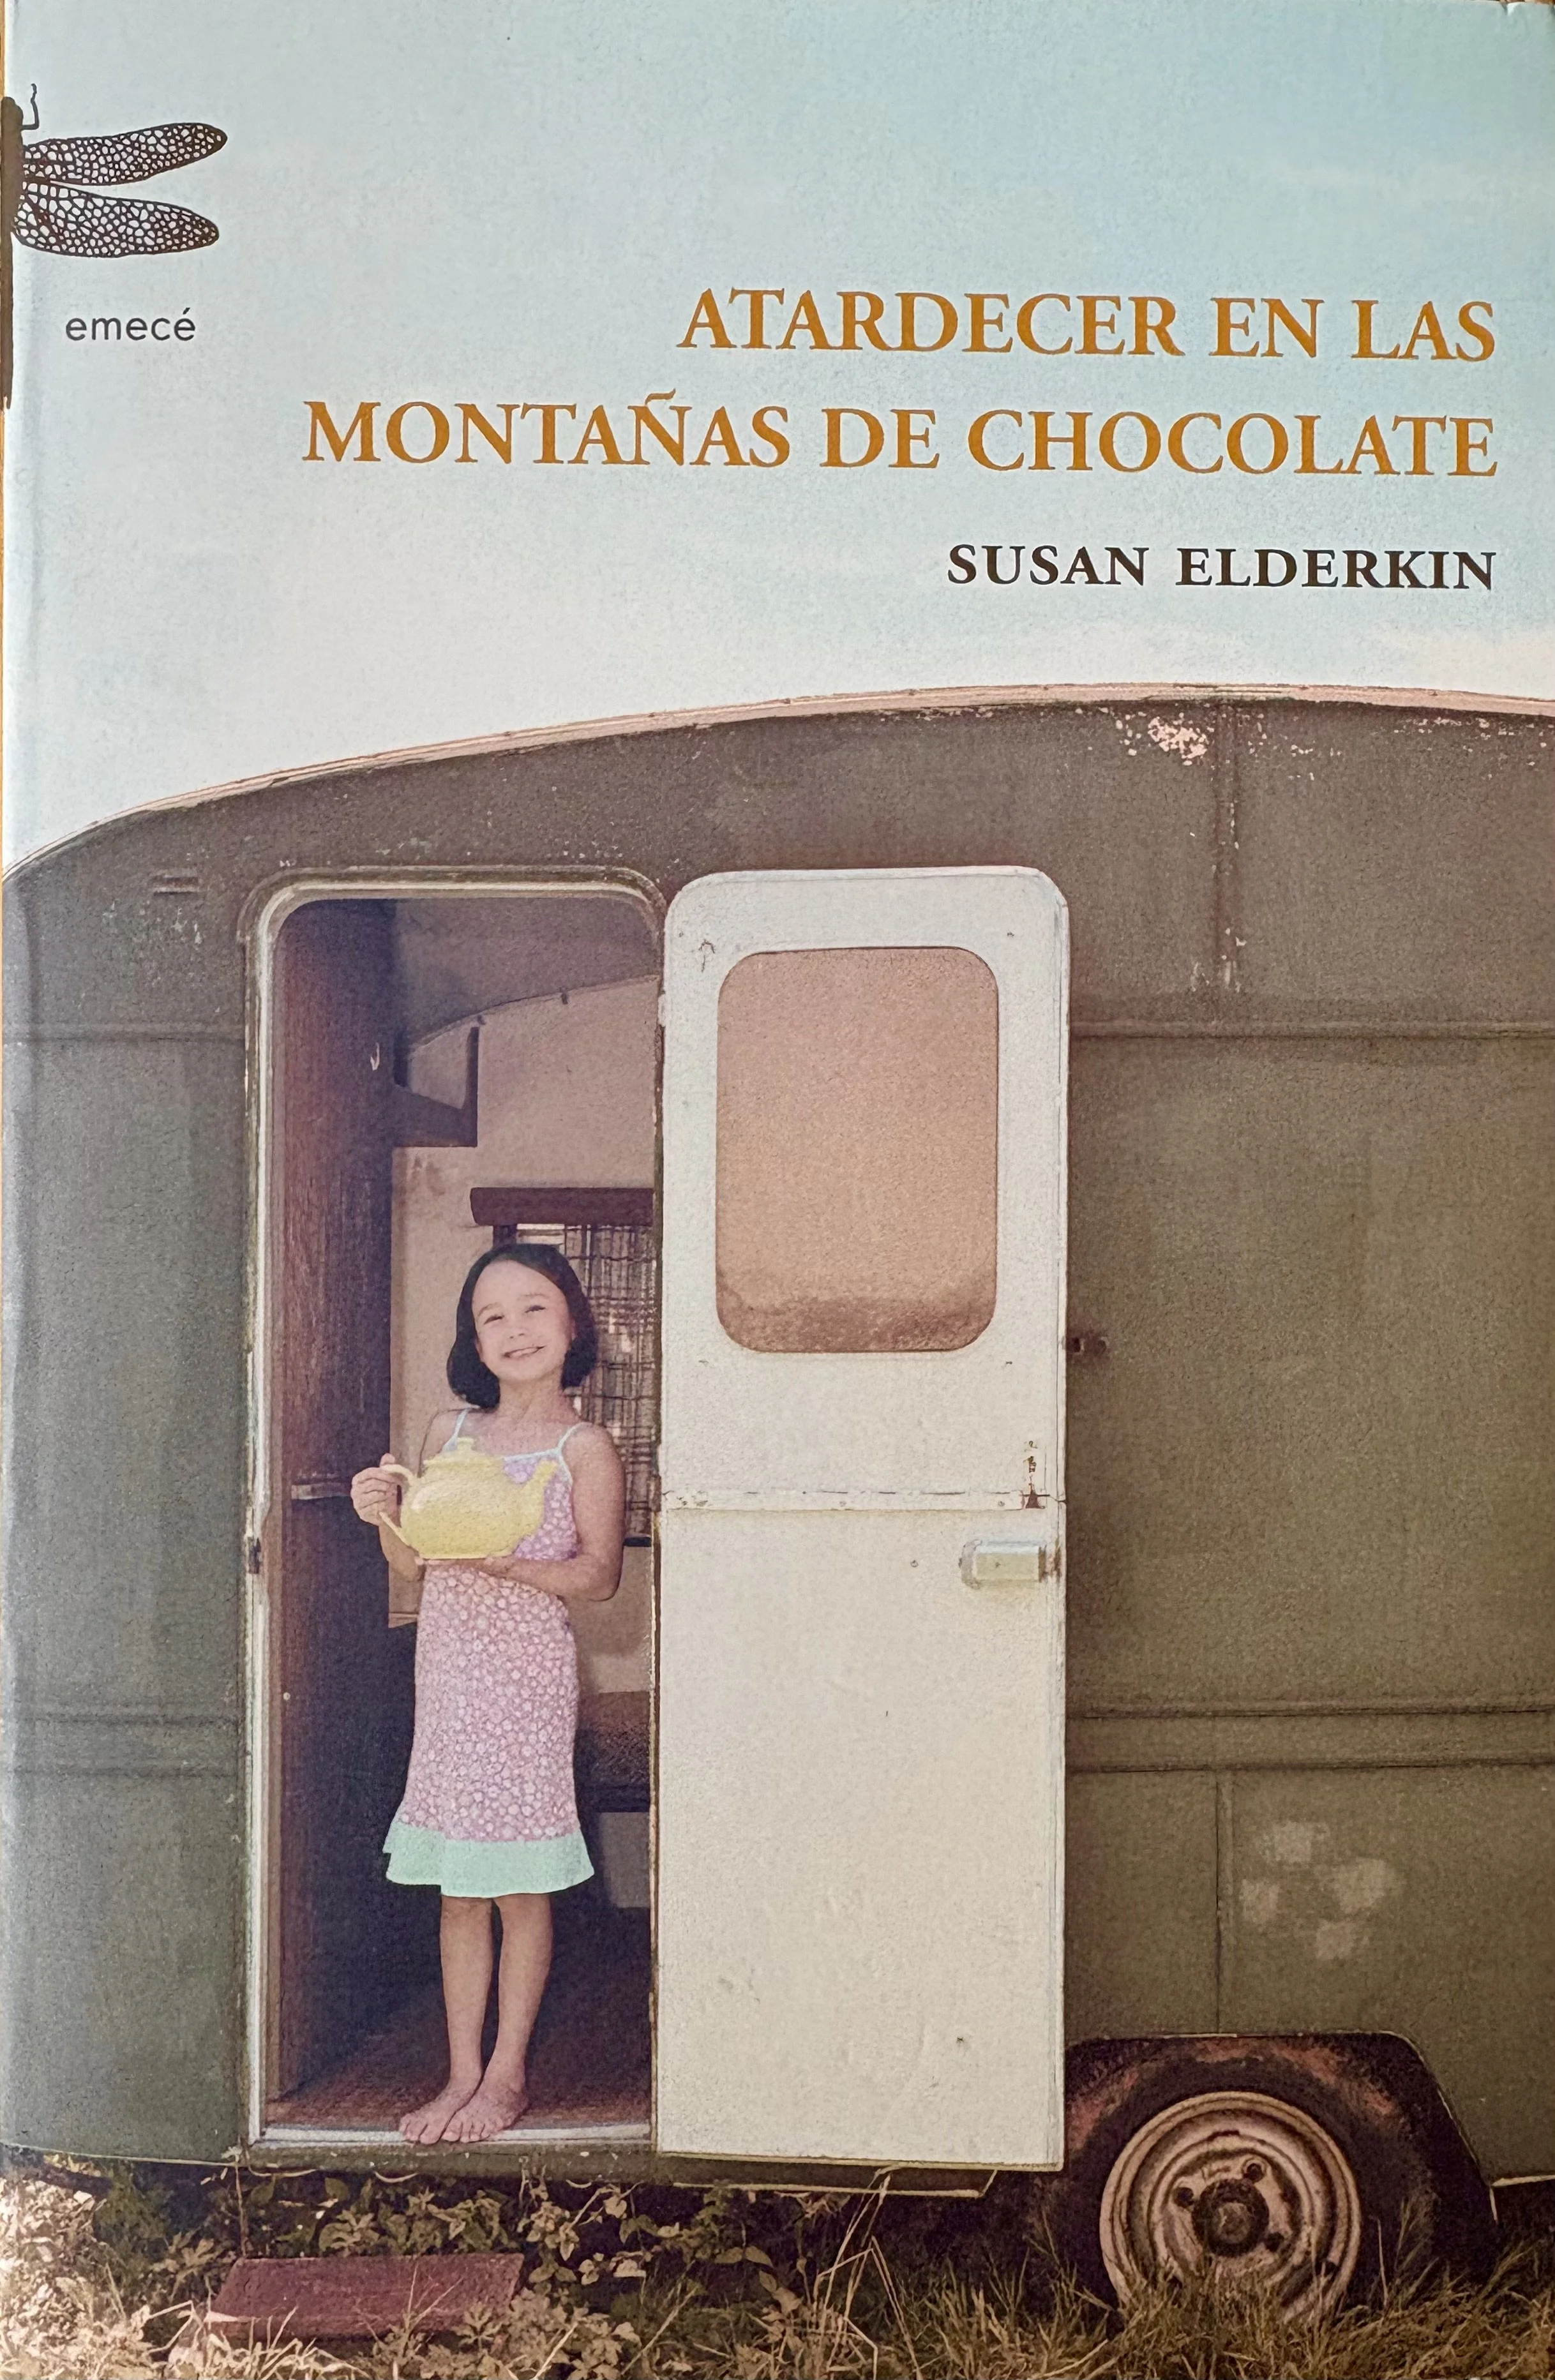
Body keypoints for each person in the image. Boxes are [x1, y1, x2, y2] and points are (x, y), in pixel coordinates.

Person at [350, 1243, 625, 2144]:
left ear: (572, 1324)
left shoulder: (586, 1448)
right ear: (475, 1342)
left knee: (517, 1885)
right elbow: (414, 1565)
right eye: (491, 1317)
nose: (515, 1330)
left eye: (534, 1308)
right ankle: (461, 2074)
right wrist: (384, 1511)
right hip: (450, 1680)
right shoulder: (448, 1434)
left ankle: (507, 2076)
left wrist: (514, 1566)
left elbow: (600, 1576)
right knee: (460, 1890)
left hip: (526, 1685)